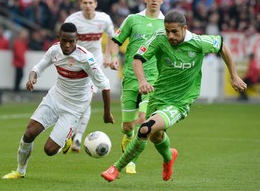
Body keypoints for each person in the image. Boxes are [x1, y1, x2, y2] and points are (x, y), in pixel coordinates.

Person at [101, 10, 247, 182]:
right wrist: (142, 81)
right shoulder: (159, 38)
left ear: (184, 28)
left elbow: (222, 45)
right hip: (158, 97)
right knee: (156, 136)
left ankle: (115, 168)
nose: (170, 35)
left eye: (174, 31)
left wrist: (234, 75)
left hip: (180, 102)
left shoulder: (199, 42)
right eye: (167, 30)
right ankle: (169, 156)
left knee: (145, 129)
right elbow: (137, 59)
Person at [2, 22, 114, 179]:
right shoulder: (54, 50)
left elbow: (105, 85)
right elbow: (37, 68)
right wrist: (32, 79)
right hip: (55, 98)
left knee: (49, 150)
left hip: (74, 108)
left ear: (77, 39)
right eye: (64, 41)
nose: (67, 45)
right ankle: (20, 171)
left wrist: (107, 113)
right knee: (28, 134)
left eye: (71, 41)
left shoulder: (86, 58)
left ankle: (66, 140)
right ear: (58, 38)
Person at [108, 0, 165, 174]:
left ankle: (131, 162)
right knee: (127, 126)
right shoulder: (133, 19)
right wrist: (114, 57)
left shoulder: (167, 24)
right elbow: (115, 40)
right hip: (131, 78)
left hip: (153, 79)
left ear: (162, 0)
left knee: (143, 120)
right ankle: (128, 137)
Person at [63, 0, 117, 153]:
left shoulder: (104, 19)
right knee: (73, 101)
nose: (87, 6)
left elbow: (112, 38)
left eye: (90, 3)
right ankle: (70, 134)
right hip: (76, 63)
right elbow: (64, 41)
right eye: (84, 3)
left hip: (94, 64)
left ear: (95, 4)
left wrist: (109, 57)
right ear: (80, 4)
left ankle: (77, 138)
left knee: (87, 100)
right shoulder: (72, 21)